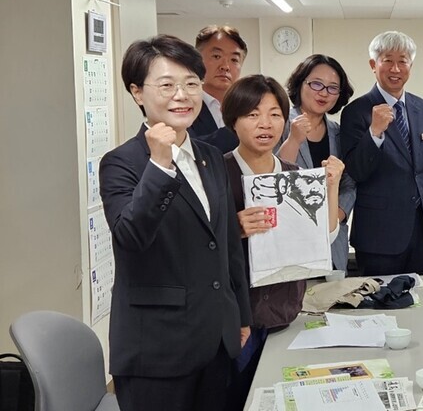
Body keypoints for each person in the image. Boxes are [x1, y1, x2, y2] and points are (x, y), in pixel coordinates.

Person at [100, 35, 251, 411]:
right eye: (166, 85)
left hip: (215, 338)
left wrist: (241, 316)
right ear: (137, 93)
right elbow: (130, 237)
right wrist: (160, 163)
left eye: (191, 84)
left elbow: (226, 242)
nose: (181, 95)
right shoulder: (121, 163)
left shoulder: (211, 156)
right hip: (157, 349)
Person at [219, 74, 343, 411]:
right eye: (252, 114)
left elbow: (324, 237)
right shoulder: (216, 173)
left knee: (281, 396)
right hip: (233, 319)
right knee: (235, 397)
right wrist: (235, 228)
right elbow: (193, 244)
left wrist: (331, 186)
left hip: (285, 311)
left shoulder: (293, 174)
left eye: (274, 114)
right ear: (233, 121)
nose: (265, 124)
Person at [340, 31, 423, 276]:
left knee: (421, 302)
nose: (395, 68)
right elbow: (355, 172)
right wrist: (374, 133)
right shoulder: (356, 112)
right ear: (373, 64)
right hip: (379, 235)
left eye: (403, 61)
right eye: (387, 60)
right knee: (379, 305)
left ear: (411, 65)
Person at [277, 54, 357, 272]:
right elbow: (273, 178)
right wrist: (293, 140)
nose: (323, 93)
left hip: (331, 243)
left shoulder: (339, 133)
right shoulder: (279, 125)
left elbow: (349, 182)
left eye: (333, 88)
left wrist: (339, 212)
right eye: (316, 84)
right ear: (300, 83)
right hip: (289, 239)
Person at [189, 24, 247, 152]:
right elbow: (189, 147)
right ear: (198, 60)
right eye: (216, 56)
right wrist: (240, 128)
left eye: (234, 60)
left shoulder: (247, 107)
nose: (225, 66)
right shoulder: (184, 104)